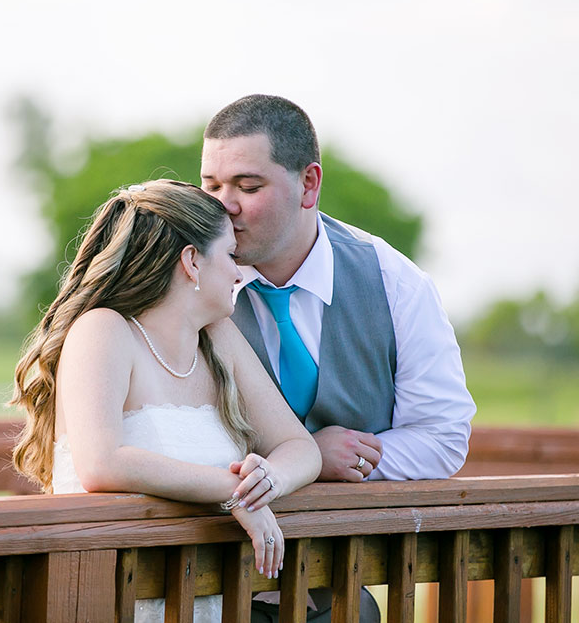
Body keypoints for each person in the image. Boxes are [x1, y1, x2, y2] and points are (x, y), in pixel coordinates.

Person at [201, 95, 477, 621]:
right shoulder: (189, 283)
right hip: (204, 571)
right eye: (211, 186)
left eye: (247, 186)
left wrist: (332, 466)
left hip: (337, 579)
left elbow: (443, 435)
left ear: (309, 184)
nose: (224, 205)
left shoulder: (396, 284)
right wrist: (305, 455)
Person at [9, 179, 322, 623]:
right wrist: (235, 494)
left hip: (202, 596)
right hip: (108, 592)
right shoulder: (104, 330)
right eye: (230, 256)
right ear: (191, 262)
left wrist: (267, 482)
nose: (239, 273)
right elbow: (102, 464)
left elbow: (301, 447)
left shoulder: (218, 340)